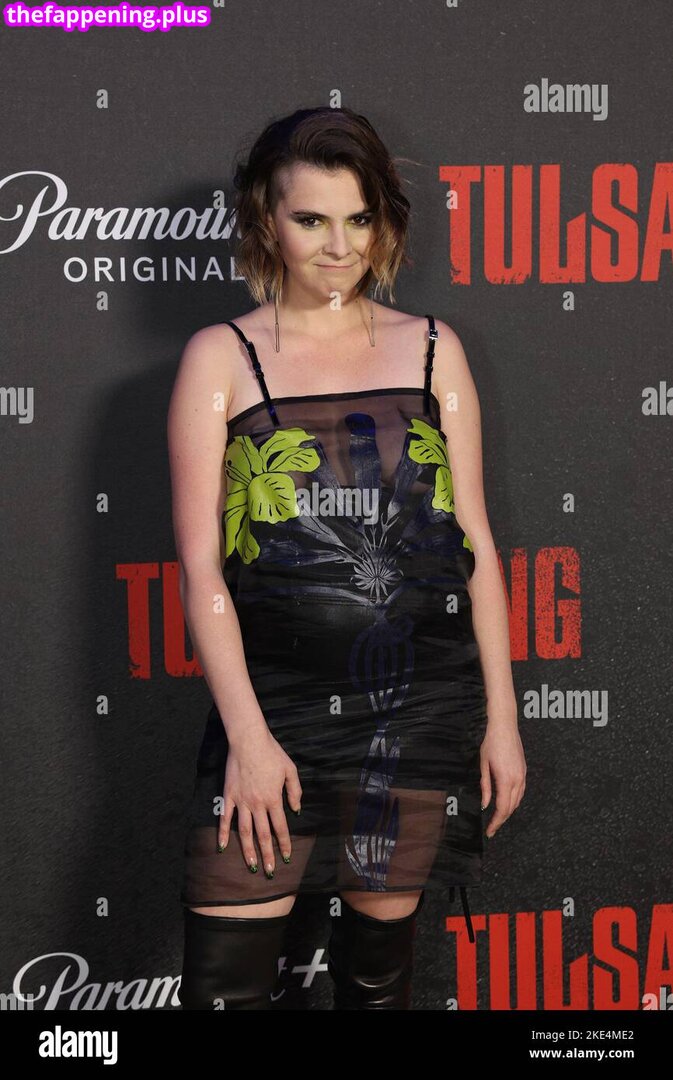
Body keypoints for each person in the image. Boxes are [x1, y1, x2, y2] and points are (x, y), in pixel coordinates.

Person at [168, 106, 526, 1011]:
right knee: (226, 990)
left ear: (384, 223)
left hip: (414, 711)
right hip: (274, 712)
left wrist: (501, 718)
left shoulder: (434, 350)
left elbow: (474, 546)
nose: (338, 247)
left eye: (358, 219)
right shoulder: (221, 357)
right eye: (310, 219)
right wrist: (248, 738)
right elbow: (202, 570)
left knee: (376, 987)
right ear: (265, 220)